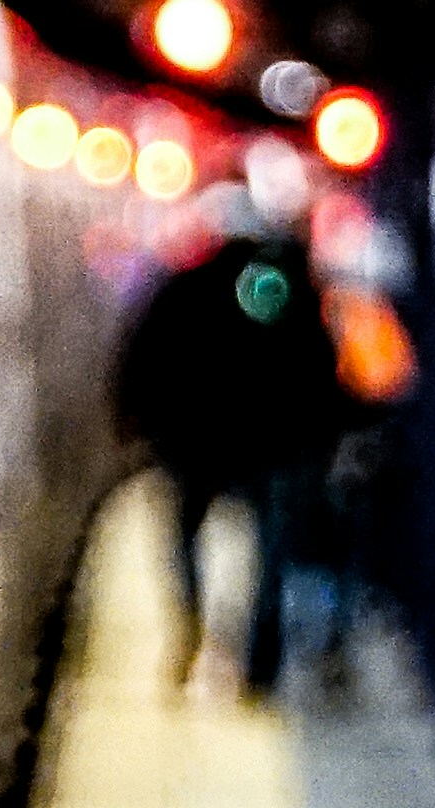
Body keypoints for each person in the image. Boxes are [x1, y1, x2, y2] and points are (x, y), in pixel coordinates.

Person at [112, 215, 351, 692]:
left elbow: (141, 352)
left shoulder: (181, 287)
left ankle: (190, 622)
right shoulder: (284, 292)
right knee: (270, 551)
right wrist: (324, 438)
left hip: (190, 442)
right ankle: (262, 660)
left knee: (182, 537)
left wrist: (129, 413)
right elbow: (322, 364)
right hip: (271, 443)